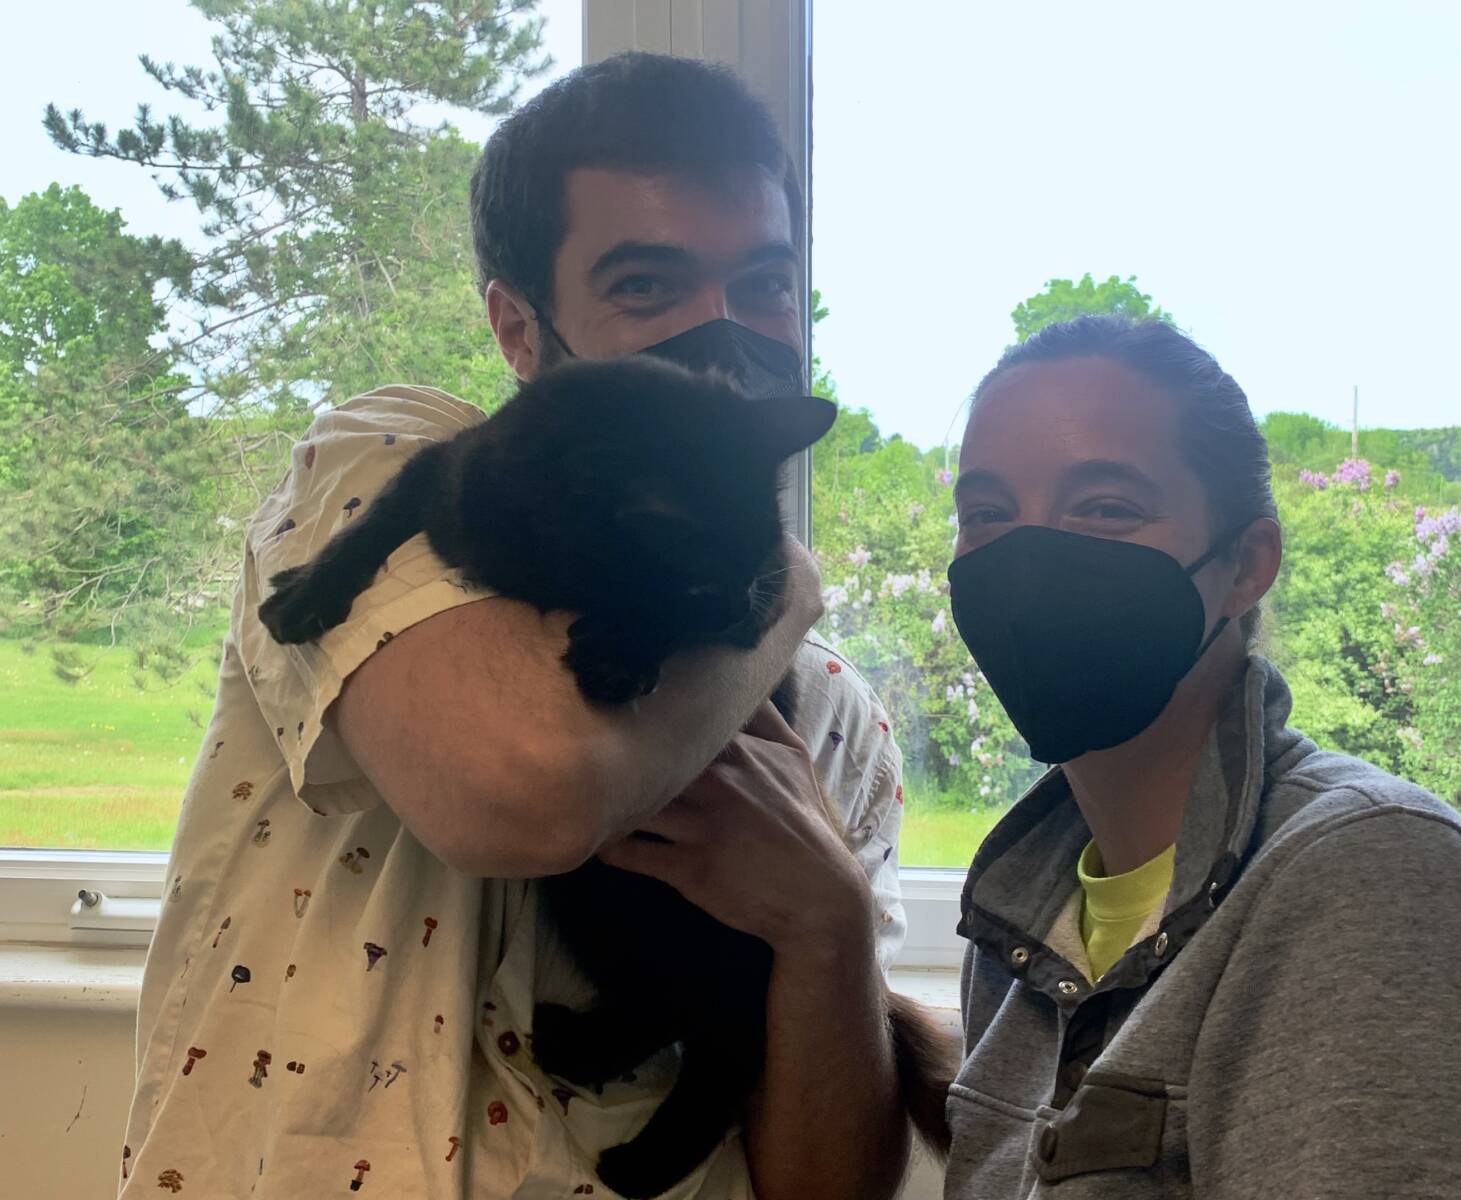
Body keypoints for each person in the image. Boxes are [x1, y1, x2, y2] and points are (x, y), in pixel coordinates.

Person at [119, 54, 914, 1200]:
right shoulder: (375, 470)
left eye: (764, 284)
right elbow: (524, 794)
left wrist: (828, 926)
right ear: (518, 327)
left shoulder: (830, 708)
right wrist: (782, 587)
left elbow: (833, 1189)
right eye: (646, 285)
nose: (720, 330)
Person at [939, 315, 1461, 1198]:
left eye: (1107, 509)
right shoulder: (1022, 929)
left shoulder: (1381, 886)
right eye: (986, 515)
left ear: (1247, 565)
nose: (1026, 561)